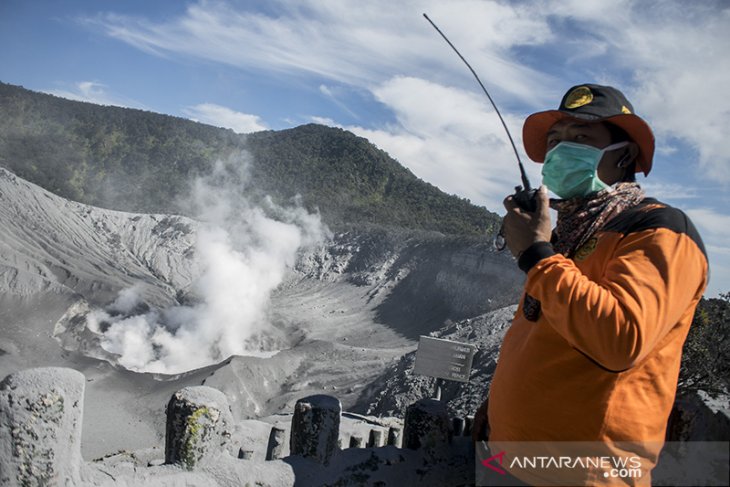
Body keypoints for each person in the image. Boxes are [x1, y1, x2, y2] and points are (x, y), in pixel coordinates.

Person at [472, 84, 708, 486]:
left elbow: (620, 340)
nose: (561, 149)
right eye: (555, 140)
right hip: (508, 458)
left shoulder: (659, 230)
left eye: (581, 137)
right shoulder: (571, 232)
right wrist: (496, 410)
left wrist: (536, 255)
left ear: (625, 155)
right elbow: (544, 333)